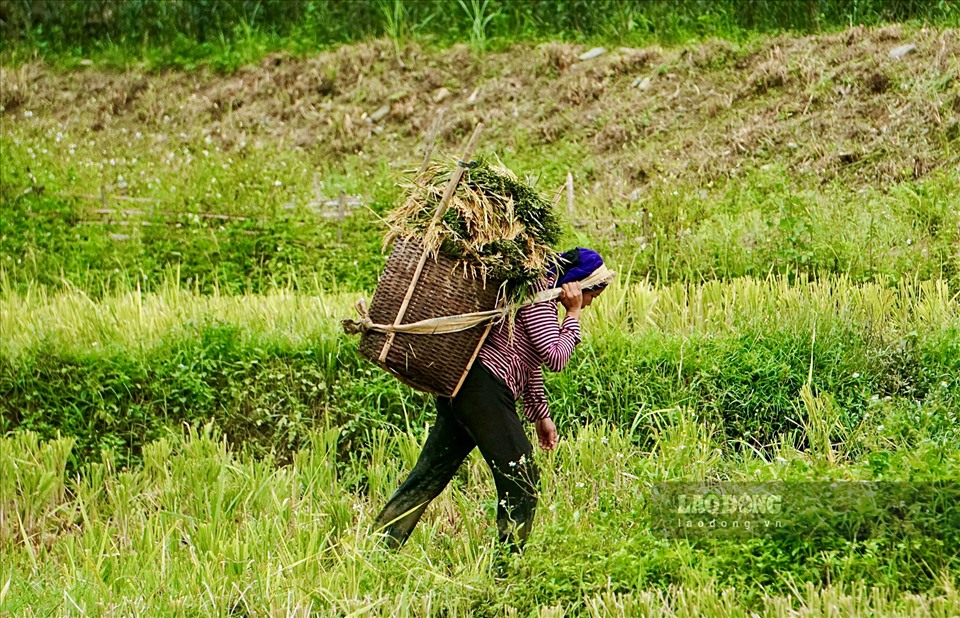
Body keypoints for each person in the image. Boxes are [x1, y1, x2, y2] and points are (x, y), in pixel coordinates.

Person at [372, 248, 612, 553]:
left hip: (464, 389)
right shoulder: (538, 293)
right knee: (522, 476)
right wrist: (573, 314)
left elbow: (529, 359)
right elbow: (554, 356)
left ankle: (378, 547)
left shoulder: (537, 296)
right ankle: (508, 564)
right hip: (483, 390)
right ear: (578, 283)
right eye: (593, 294)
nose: (590, 302)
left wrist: (541, 414)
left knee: (430, 474)